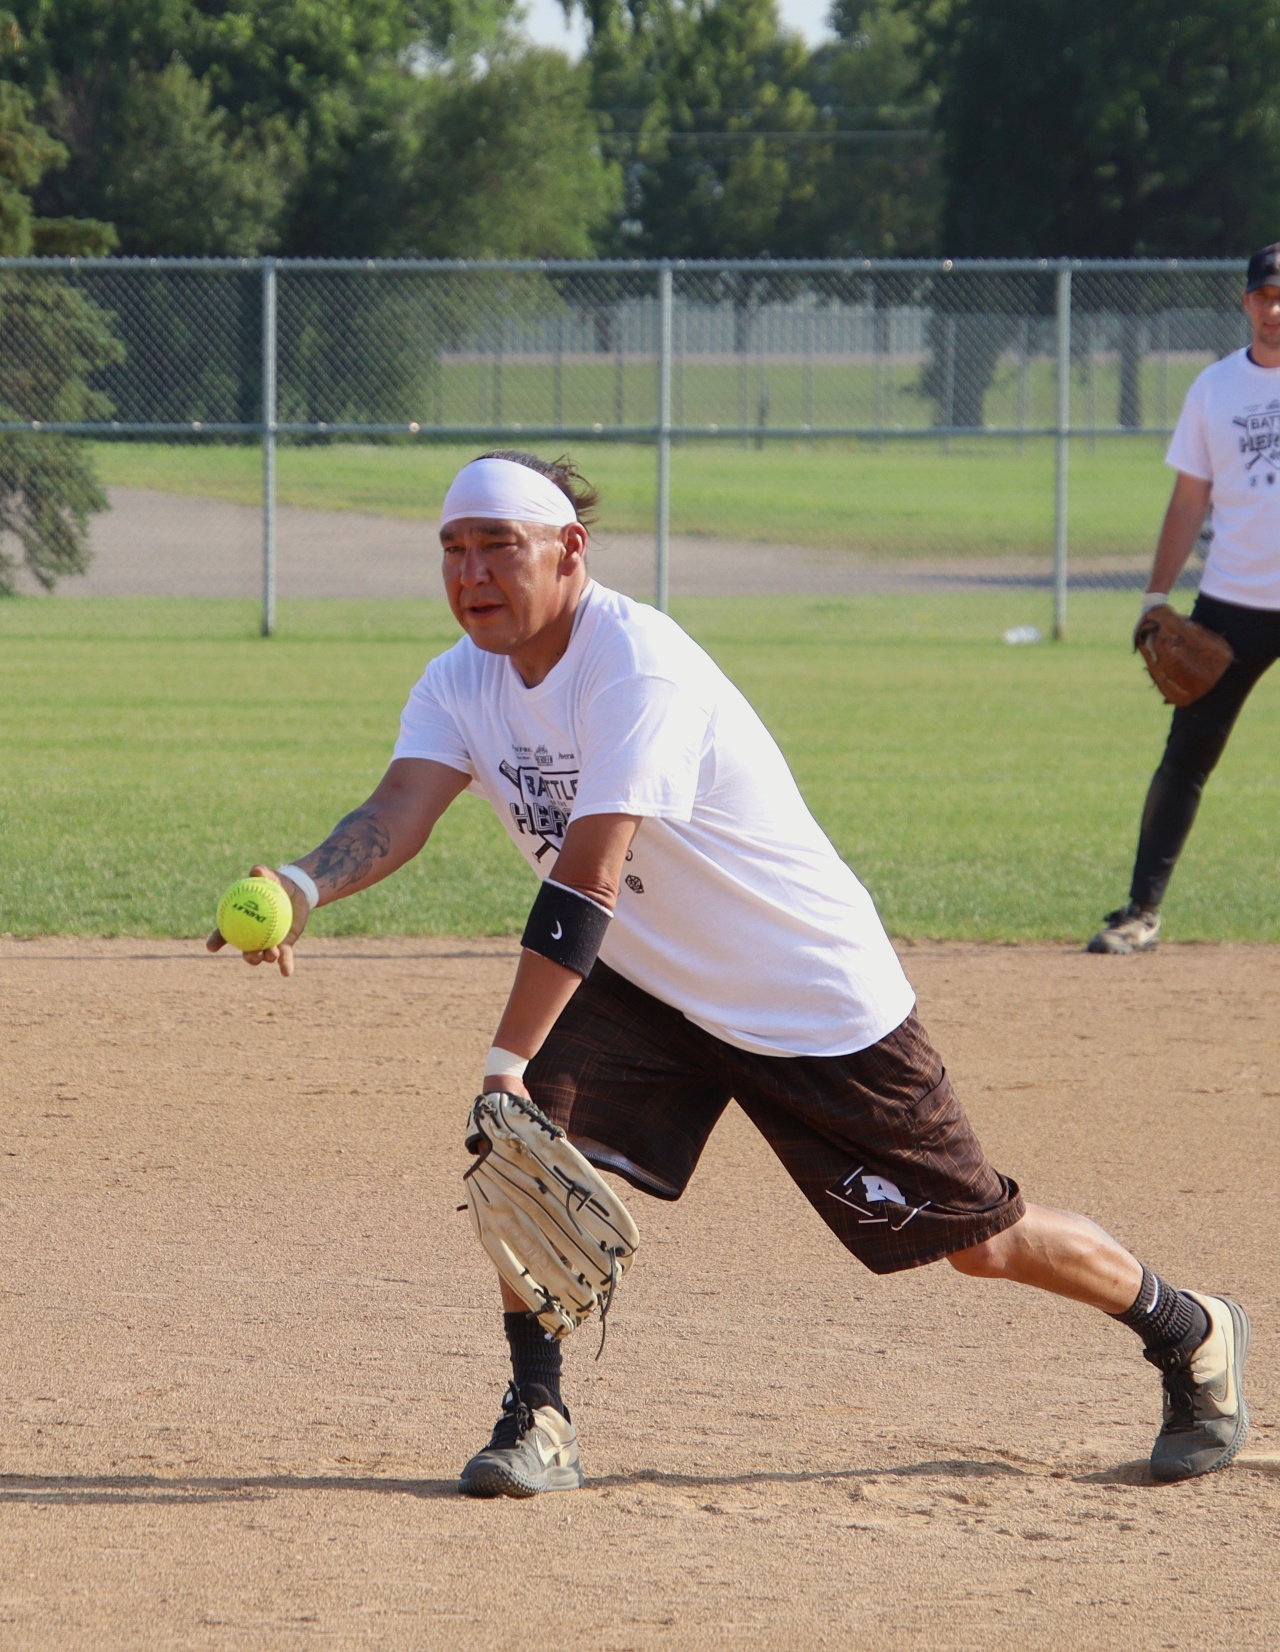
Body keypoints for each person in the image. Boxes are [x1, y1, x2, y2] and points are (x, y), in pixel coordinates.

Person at [211, 450, 1250, 1495]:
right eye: (453, 549)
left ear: (569, 549)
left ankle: (1188, 1326)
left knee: (978, 1238)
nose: (471, 571)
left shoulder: (636, 664)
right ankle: (539, 1415)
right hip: (645, 982)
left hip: (802, 993)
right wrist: (300, 885)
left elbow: (589, 874)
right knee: (528, 1160)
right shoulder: (460, 679)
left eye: (498, 546)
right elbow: (399, 806)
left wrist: (503, 1057)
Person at [1089, 242, 1280, 954]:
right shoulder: (1214, 388)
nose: (1274, 309)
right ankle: (1141, 912)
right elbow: (1188, 500)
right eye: (1264, 295)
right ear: (1246, 302)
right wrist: (1155, 595)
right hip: (1232, 602)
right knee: (1186, 758)